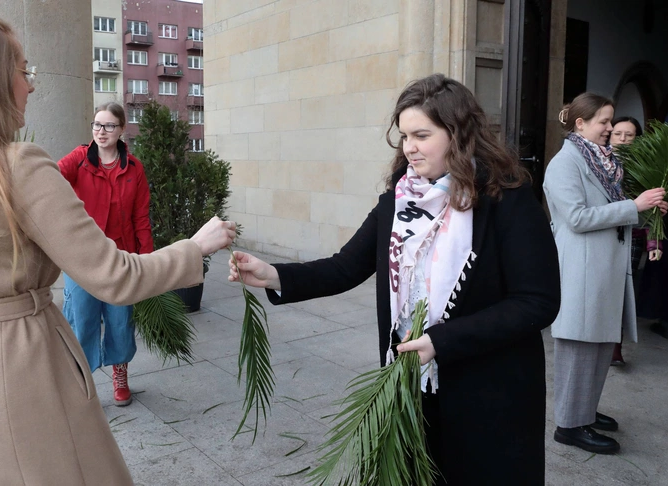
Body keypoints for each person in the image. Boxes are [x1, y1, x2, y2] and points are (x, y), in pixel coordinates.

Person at [0, 15, 235, 485]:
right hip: (20, 389)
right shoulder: (19, 168)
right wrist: (195, 247)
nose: (31, 87)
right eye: (23, 71)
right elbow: (114, 274)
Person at [229, 74, 561, 486]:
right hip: (412, 385)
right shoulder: (399, 200)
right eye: (404, 135)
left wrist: (443, 342)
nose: (409, 147)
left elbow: (537, 301)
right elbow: (344, 266)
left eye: (421, 135)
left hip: (489, 393)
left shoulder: (506, 200)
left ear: (458, 135)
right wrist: (273, 274)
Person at [544, 93, 667, 455]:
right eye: (604, 121)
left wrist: (648, 210)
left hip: (603, 271)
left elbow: (613, 211)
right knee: (579, 348)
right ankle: (568, 426)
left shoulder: (603, 161)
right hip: (583, 271)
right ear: (580, 124)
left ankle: (583, 411)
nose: (611, 128)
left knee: (598, 348)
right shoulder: (564, 164)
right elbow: (578, 218)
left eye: (611, 120)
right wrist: (634, 205)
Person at [58, 102, 151, 406]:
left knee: (119, 319)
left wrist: (147, 259)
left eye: (109, 125)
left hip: (120, 259)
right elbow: (52, 177)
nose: (101, 131)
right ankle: (83, 383)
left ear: (122, 129)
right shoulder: (80, 158)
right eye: (97, 125)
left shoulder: (134, 168)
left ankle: (120, 373)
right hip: (82, 257)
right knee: (81, 320)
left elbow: (141, 216)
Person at [609, 116, 644, 366]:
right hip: (604, 230)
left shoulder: (645, 166)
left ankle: (615, 346)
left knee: (623, 289)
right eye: (617, 133)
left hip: (633, 232)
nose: (622, 139)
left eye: (628, 135)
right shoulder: (599, 162)